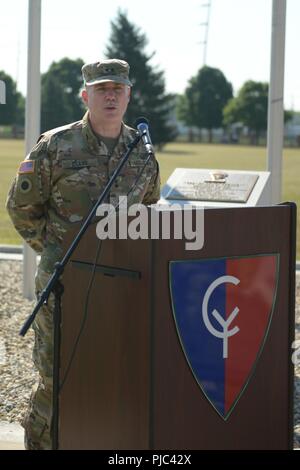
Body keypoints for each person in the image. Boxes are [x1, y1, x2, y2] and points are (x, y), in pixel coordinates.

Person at [6, 58, 160, 450]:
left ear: (128, 95)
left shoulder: (141, 152)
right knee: (58, 375)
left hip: (120, 286)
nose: (111, 96)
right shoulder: (56, 145)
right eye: (102, 89)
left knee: (111, 374)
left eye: (118, 89)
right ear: (85, 95)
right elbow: (21, 207)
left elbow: (149, 209)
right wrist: (56, 252)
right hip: (64, 284)